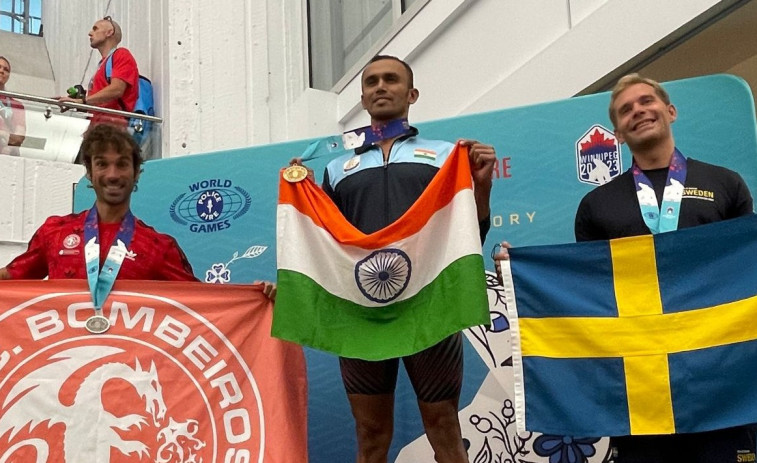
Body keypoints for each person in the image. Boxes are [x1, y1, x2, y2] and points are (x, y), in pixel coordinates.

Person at [496, 73, 755, 462]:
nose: (638, 111)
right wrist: (521, 272)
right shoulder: (597, 205)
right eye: (625, 110)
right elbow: (586, 293)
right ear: (617, 133)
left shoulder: (725, 183)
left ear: (670, 110)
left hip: (719, 379)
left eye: (646, 102)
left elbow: (744, 272)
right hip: (638, 392)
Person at [295, 55, 496, 463]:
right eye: (371, 82)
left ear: (412, 94)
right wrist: (304, 196)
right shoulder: (336, 167)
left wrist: (482, 186)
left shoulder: (445, 156)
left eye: (391, 79)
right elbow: (325, 245)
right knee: (370, 434)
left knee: (443, 426)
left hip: (429, 307)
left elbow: (467, 237)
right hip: (361, 313)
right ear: (364, 97)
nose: (380, 86)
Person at [0, 123, 196, 282]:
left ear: (136, 173)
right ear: (89, 172)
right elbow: (11, 278)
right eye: (102, 164)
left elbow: (202, 304)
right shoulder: (54, 232)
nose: (112, 175)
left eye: (122, 164)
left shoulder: (159, 247)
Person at [57, 16, 139, 128]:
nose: (90, 33)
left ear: (110, 32)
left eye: (95, 29)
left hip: (113, 129)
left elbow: (117, 89)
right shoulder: (103, 63)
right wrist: (75, 101)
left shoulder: (121, 54)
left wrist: (83, 101)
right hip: (99, 128)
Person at [0, 56, 26, 156]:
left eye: (6, 70)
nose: (2, 71)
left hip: (7, 157)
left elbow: (18, 138)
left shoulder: (17, 105)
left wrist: (2, 136)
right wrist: (4, 134)